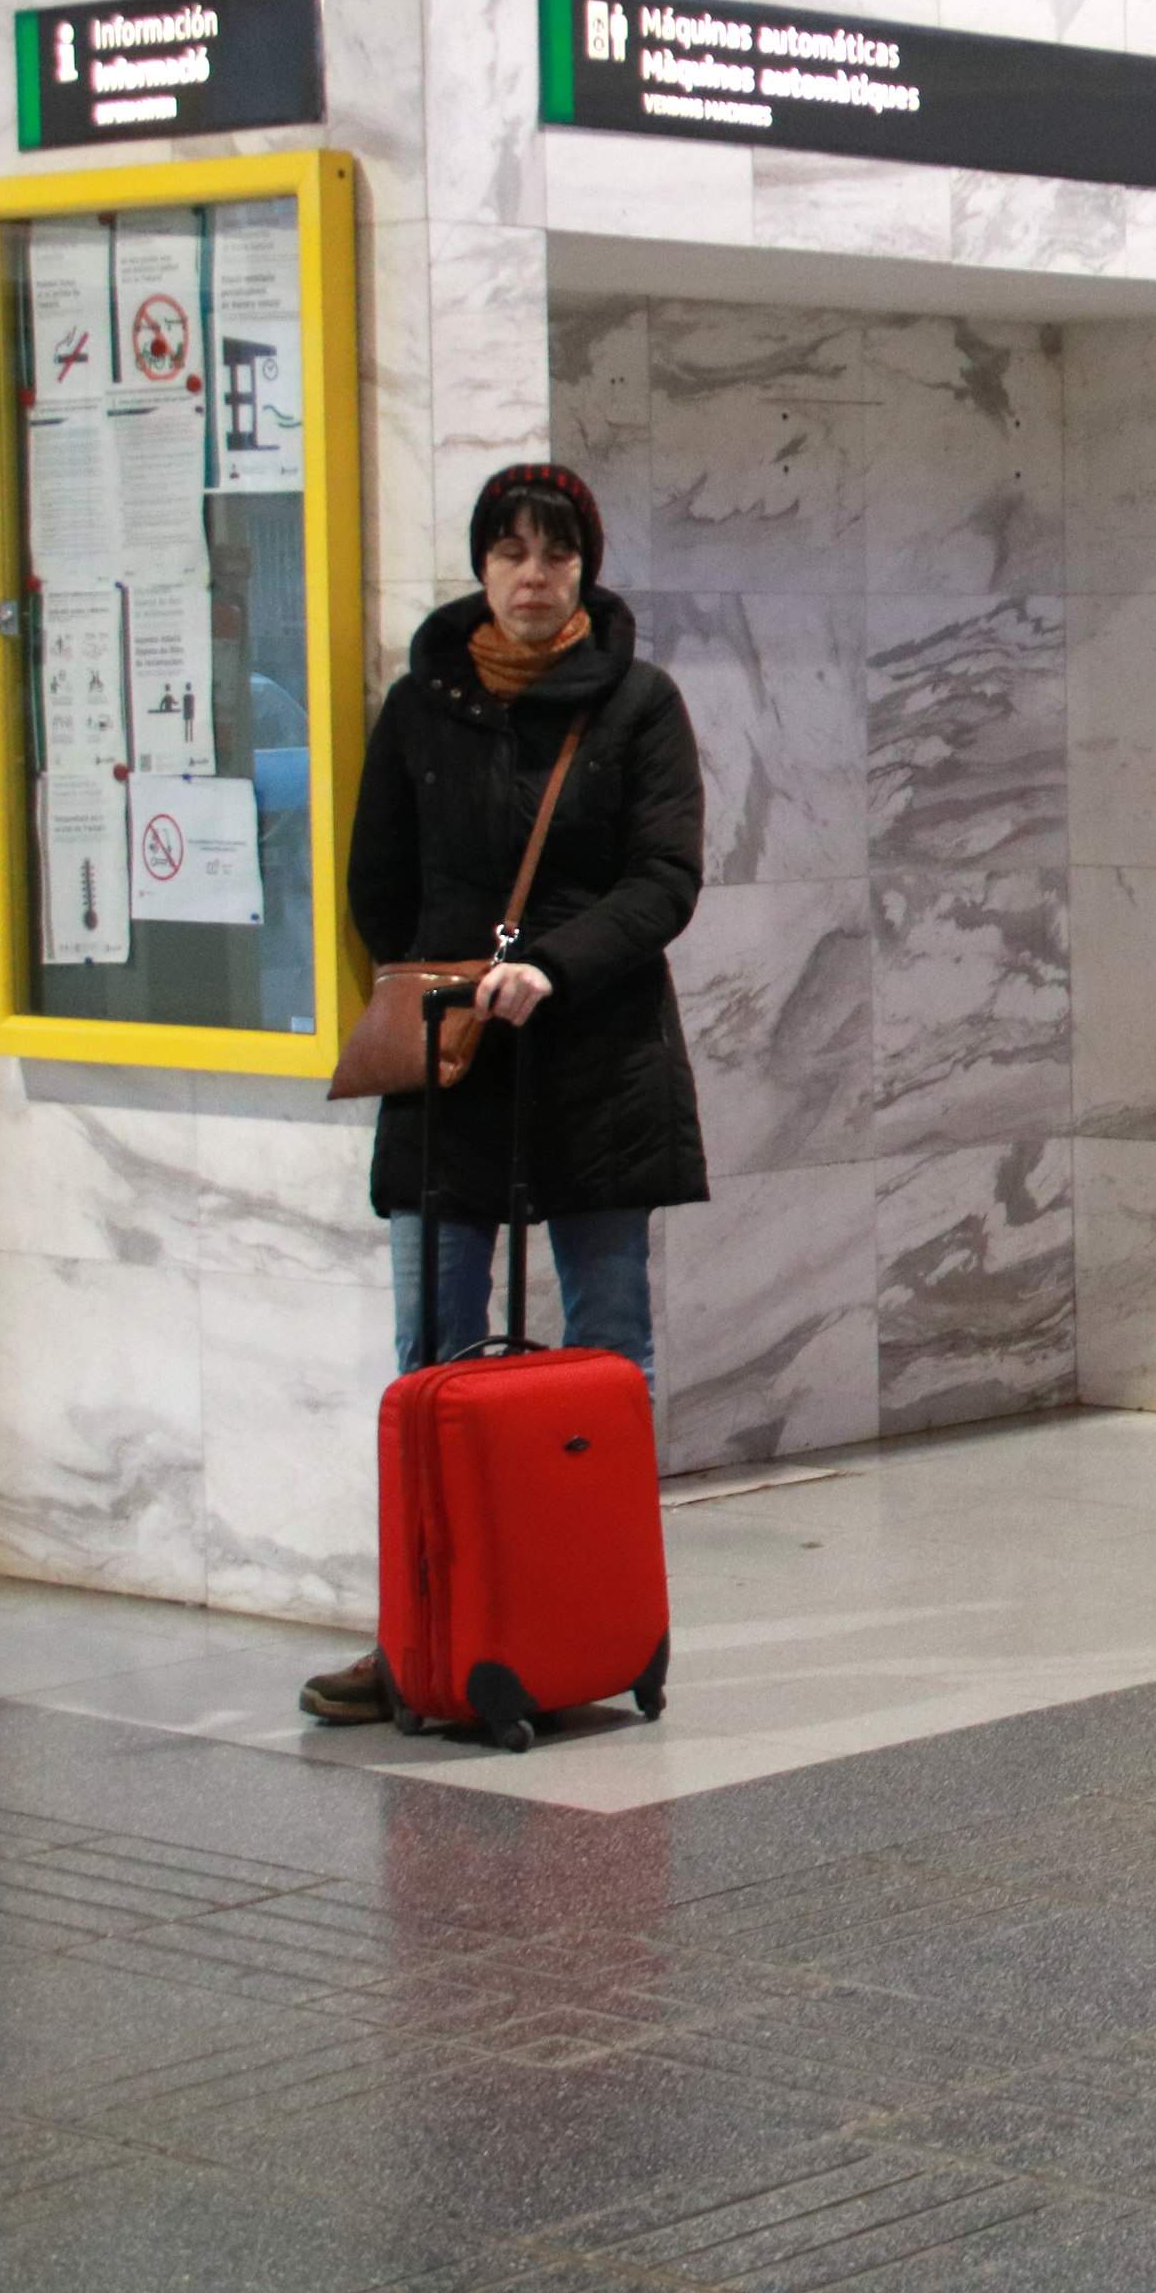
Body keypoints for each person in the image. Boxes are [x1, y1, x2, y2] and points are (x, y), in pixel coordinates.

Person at [297, 464, 710, 1727]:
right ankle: (424, 1633)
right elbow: (378, 880)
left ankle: (601, 1614)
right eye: (512, 553)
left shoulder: (641, 703)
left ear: (587, 568)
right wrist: (456, 985)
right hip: (454, 1070)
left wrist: (551, 968)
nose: (534, 577)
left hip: (596, 1063)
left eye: (558, 554)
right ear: (482, 567)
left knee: (608, 1358)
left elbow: (666, 878)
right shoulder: (421, 706)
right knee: (428, 1358)